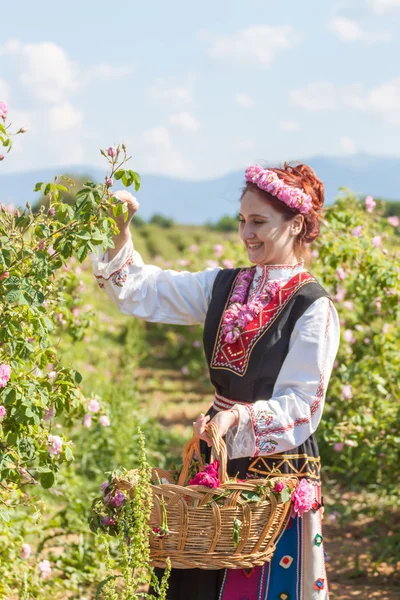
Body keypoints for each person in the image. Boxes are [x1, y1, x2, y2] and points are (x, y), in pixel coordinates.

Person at [91, 162, 340, 600]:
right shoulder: (225, 286)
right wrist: (118, 234)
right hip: (215, 450)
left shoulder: (311, 306)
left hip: (275, 462)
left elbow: (302, 403)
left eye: (259, 222)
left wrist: (237, 420)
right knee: (197, 565)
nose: (247, 233)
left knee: (258, 579)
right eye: (242, 221)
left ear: (296, 223)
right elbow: (147, 290)